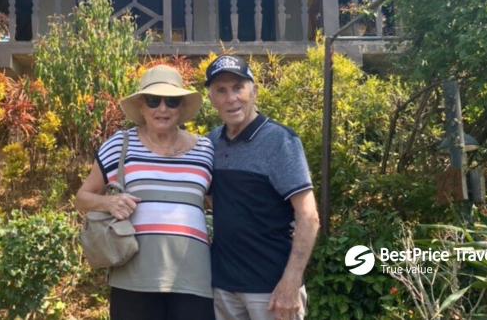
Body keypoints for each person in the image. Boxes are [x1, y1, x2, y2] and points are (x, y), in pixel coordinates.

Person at [74, 64, 216, 320]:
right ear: (141, 106)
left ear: (182, 107)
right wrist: (109, 203)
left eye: (171, 101)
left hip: (195, 278)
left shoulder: (205, 149)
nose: (162, 108)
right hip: (134, 279)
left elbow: (222, 205)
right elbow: (81, 198)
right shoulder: (119, 144)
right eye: (153, 100)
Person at [204, 55, 320, 320]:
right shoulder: (211, 142)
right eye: (220, 90)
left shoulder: (280, 141)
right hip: (223, 286)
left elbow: (309, 217)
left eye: (237, 87)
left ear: (253, 91)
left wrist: (291, 281)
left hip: (271, 289)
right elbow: (213, 198)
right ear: (211, 99)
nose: (230, 98)